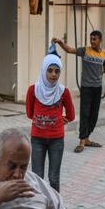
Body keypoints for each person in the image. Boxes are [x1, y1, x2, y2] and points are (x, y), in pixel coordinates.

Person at [52, 31, 105, 153]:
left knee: (94, 115)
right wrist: (60, 42)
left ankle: (86, 138)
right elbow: (69, 50)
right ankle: (81, 141)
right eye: (91, 39)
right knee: (85, 114)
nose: (92, 41)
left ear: (100, 40)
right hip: (86, 88)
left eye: (94, 39)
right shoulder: (85, 50)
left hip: (97, 88)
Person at [26, 53, 75, 192]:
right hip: (37, 139)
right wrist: (49, 121)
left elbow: (71, 115)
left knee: (54, 177)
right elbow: (30, 114)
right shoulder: (33, 90)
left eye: (57, 71)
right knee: (37, 177)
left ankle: (55, 207)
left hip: (56, 140)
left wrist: (58, 121)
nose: (53, 74)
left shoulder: (63, 92)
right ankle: (38, 206)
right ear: (43, 70)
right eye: (50, 70)